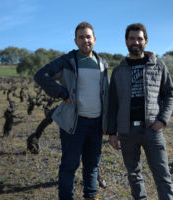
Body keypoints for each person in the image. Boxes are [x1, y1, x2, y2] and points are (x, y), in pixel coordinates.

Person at [34, 22, 109, 200]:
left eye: (88, 37)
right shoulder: (67, 61)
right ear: (75, 41)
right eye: (81, 37)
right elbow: (41, 75)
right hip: (75, 122)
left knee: (92, 165)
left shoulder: (102, 63)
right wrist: (61, 92)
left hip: (97, 122)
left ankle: (91, 196)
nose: (85, 40)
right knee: (69, 165)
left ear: (95, 39)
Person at [108, 23, 173, 200]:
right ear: (126, 41)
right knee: (134, 176)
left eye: (139, 38)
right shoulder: (118, 70)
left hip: (152, 129)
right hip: (127, 131)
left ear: (146, 41)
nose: (135, 42)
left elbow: (169, 93)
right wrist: (112, 132)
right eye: (132, 38)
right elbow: (112, 103)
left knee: (162, 175)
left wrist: (162, 120)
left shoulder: (159, 66)